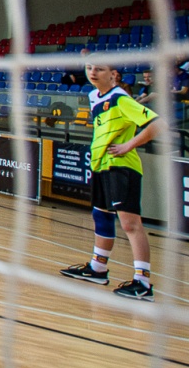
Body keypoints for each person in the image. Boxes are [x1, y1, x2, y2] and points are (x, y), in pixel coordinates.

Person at [59, 62, 162, 299]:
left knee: (130, 224)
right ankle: (98, 268)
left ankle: (143, 283)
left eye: (100, 69)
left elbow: (157, 125)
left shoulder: (120, 98)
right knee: (101, 215)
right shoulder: (94, 96)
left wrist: (129, 145)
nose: (92, 72)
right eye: (89, 68)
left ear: (113, 74)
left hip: (121, 167)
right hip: (101, 165)